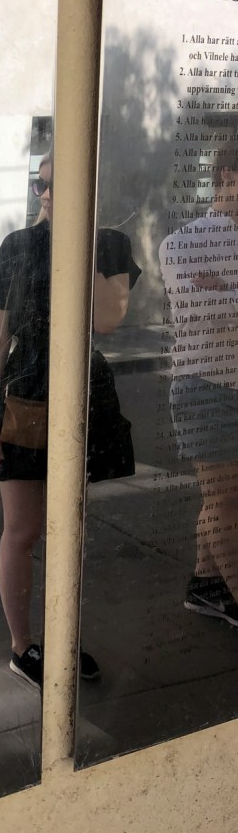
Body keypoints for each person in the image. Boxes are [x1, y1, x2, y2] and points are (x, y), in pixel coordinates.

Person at [0, 153, 141, 688]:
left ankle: (63, 636)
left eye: (58, 184)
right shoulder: (19, 245)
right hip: (27, 394)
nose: (46, 194)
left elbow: (107, 320)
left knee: (68, 529)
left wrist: (81, 240)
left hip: (83, 395)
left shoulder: (109, 244)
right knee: (23, 529)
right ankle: (23, 646)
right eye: (41, 184)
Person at [159, 143, 238, 627]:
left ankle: (206, 584)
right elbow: (198, 311)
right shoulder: (183, 242)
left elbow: (221, 308)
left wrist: (225, 291)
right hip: (205, 386)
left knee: (222, 498)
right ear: (228, 176)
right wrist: (221, 299)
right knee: (225, 499)